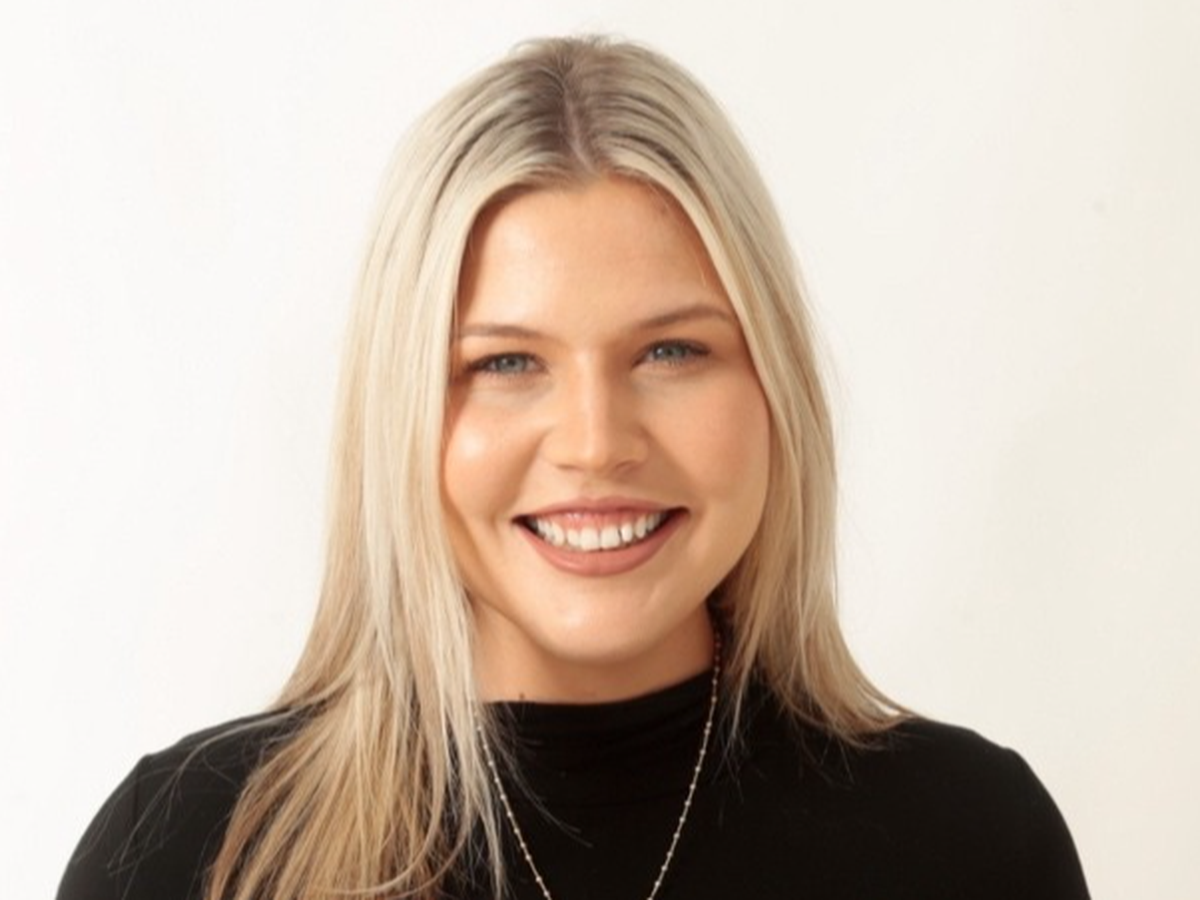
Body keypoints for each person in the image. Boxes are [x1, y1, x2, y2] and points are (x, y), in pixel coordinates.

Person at [57, 36, 1090, 900]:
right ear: (398, 415)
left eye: (671, 351)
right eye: (506, 363)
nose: (595, 442)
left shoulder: (971, 844)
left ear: (776, 387)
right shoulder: (188, 854)